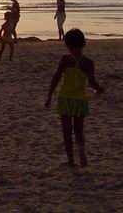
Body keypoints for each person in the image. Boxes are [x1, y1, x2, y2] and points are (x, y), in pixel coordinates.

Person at [45, 29, 104, 167]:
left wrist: (49, 96)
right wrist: (100, 89)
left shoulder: (65, 60)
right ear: (84, 44)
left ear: (67, 45)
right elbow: (92, 83)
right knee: (78, 130)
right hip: (79, 100)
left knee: (66, 132)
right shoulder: (88, 63)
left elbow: (56, 77)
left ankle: (71, 160)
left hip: (65, 99)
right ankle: (81, 150)